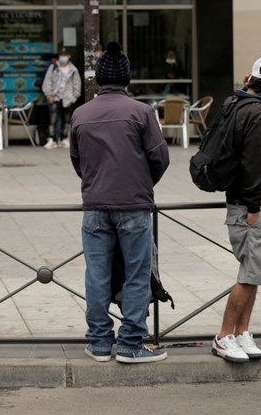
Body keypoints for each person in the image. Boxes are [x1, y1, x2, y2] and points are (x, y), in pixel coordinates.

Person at [70, 41, 170, 364]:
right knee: (137, 274)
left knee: (96, 274)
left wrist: (97, 183)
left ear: (99, 79)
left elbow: (77, 161)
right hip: (134, 205)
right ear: (127, 79)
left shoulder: (80, 114)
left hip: (95, 206)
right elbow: (160, 158)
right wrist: (141, 183)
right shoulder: (141, 112)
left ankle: (99, 341)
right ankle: (130, 342)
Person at [212, 56, 261, 364]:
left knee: (254, 274)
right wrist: (254, 206)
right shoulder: (260, 115)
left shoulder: (235, 103)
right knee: (249, 274)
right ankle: (225, 335)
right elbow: (254, 163)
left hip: (238, 200)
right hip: (248, 205)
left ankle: (243, 332)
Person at [42, 49, 81, 149]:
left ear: (69, 56)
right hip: (54, 97)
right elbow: (47, 81)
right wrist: (49, 95)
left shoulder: (73, 69)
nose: (63, 57)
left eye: (65, 55)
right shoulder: (53, 67)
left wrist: (74, 97)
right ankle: (52, 140)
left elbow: (77, 83)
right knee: (52, 119)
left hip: (68, 98)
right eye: (61, 55)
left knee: (67, 120)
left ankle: (64, 139)